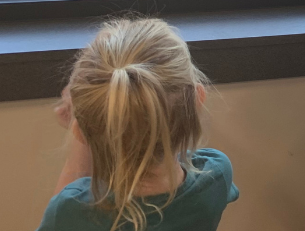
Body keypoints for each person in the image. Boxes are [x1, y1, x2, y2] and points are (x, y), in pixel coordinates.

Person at [37, 17, 239, 231]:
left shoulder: (74, 210)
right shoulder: (216, 175)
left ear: (80, 131)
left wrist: (85, 134)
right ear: (198, 99)